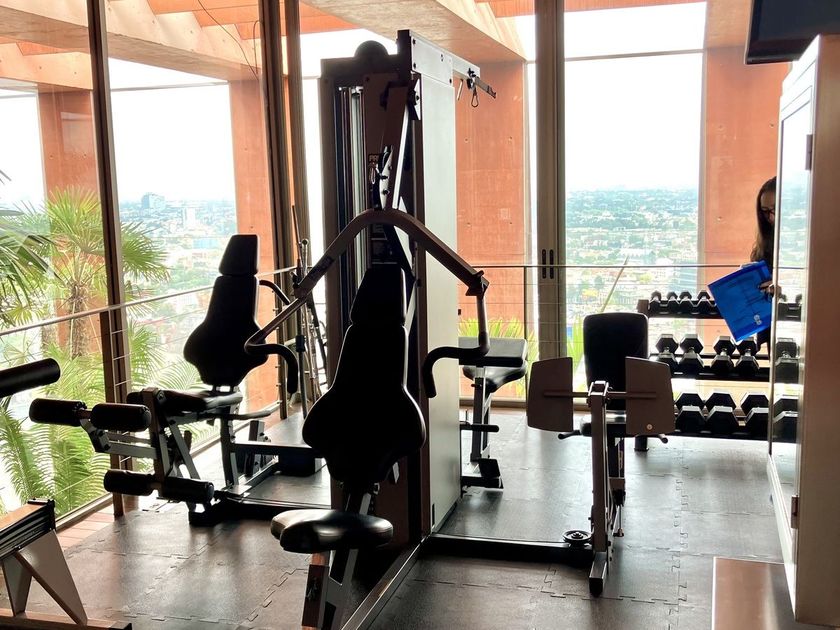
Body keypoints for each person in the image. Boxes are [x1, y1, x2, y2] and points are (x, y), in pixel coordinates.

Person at [751, 176, 776, 351]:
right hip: (770, 322)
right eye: (765, 211)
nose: (771, 217)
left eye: (775, 209)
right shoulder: (764, 243)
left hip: (793, 321)